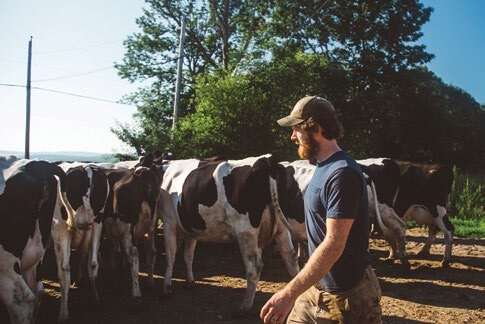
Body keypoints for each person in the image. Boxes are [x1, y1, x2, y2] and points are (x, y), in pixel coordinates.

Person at [260, 96, 382, 324]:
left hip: (347, 296)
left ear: (314, 128)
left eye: (296, 129)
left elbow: (335, 243)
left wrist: (288, 294)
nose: (292, 136)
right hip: (316, 286)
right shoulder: (322, 166)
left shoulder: (341, 174)